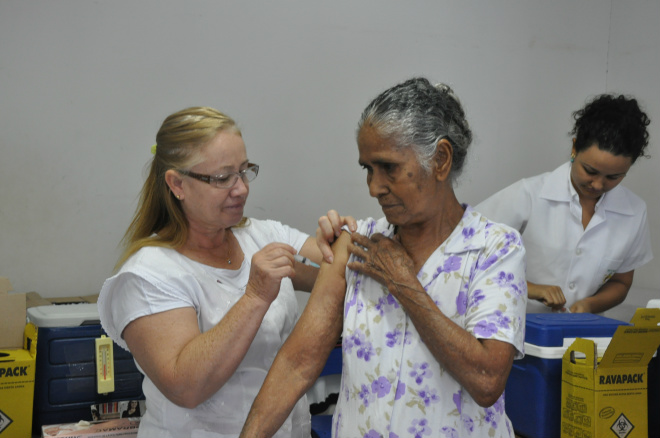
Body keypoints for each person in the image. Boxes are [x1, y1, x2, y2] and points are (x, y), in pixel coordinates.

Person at [240, 78, 527, 438]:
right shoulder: (357, 245)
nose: (374, 187)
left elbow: (487, 382)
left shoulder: (494, 249)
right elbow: (298, 363)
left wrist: (404, 283)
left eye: (388, 167)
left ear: (440, 160)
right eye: (367, 169)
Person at [98, 106, 323, 438]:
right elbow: (186, 387)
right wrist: (255, 296)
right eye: (222, 178)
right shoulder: (149, 275)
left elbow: (334, 271)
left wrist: (342, 237)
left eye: (245, 171)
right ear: (177, 184)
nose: (241, 189)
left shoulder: (261, 235)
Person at [476, 94, 652, 314]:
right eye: (590, 171)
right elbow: (468, 255)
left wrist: (590, 304)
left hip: (576, 337)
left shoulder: (634, 212)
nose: (597, 184)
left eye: (613, 177)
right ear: (574, 148)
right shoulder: (529, 194)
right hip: (511, 328)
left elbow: (621, 282)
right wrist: (530, 289)